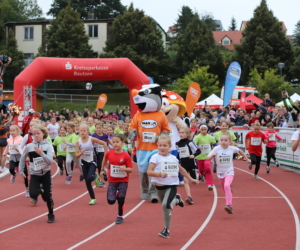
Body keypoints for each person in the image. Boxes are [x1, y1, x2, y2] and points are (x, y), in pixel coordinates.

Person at [147, 134, 199, 239]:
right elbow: (149, 172)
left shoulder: (173, 158)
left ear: (169, 146)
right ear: (157, 145)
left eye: (165, 145)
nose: (162, 147)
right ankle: (176, 199)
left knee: (165, 205)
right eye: (160, 145)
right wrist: (159, 174)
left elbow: (181, 170)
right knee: (166, 207)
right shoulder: (155, 157)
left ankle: (166, 230)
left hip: (171, 186)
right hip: (159, 188)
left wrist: (191, 179)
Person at [19, 124, 55, 223]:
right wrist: (21, 171)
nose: (36, 135)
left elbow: (50, 162)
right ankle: (42, 190)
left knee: (48, 197)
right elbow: (22, 159)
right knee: (33, 193)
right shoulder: (29, 146)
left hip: (46, 174)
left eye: (38, 133)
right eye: (34, 134)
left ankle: (51, 214)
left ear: (43, 134)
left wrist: (41, 153)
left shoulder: (48, 146)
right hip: (35, 174)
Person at [206, 133, 250, 214]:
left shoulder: (231, 148)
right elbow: (207, 158)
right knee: (225, 190)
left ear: (229, 142)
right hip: (220, 173)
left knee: (227, 185)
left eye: (226, 140)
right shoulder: (216, 148)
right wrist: (212, 156)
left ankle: (229, 205)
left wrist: (246, 158)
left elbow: (240, 150)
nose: (223, 142)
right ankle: (229, 191)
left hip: (229, 171)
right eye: (222, 140)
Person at [101, 133, 133, 224]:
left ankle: (120, 216)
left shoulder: (126, 155)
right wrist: (102, 169)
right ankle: (115, 193)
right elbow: (104, 160)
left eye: (117, 142)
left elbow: (130, 169)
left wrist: (124, 169)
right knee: (111, 201)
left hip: (123, 180)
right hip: (112, 180)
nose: (115, 144)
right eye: (113, 142)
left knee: (121, 199)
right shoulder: (109, 153)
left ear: (122, 142)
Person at [75, 123, 108, 205]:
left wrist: (106, 154)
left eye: (84, 130)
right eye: (81, 130)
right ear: (78, 131)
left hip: (92, 162)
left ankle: (95, 176)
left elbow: (104, 143)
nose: (82, 132)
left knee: (90, 177)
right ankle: (92, 198)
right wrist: (81, 152)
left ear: (88, 131)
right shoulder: (78, 142)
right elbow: (77, 155)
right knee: (87, 182)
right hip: (84, 163)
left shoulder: (91, 139)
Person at [176, 127, 201, 204]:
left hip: (191, 163)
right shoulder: (177, 144)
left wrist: (193, 155)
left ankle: (198, 174)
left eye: (183, 133)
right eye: (180, 133)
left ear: (187, 134)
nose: (181, 134)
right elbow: (179, 155)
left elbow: (198, 151)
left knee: (193, 180)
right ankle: (189, 197)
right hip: (183, 164)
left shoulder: (190, 142)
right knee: (185, 180)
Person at [3, 125, 29, 196]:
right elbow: (7, 147)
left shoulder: (21, 139)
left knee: (25, 174)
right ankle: (14, 174)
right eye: (10, 131)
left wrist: (24, 154)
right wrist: (4, 154)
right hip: (13, 157)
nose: (12, 132)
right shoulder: (9, 140)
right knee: (11, 169)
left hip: (20, 158)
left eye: (13, 131)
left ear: (17, 131)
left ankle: (27, 189)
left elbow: (24, 147)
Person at [193, 125, 216, 191]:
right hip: (200, 157)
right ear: (200, 130)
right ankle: (201, 175)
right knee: (201, 170)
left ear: (207, 130)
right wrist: (198, 147)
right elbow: (193, 144)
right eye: (202, 130)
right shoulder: (198, 137)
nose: (203, 131)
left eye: (205, 129)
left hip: (208, 156)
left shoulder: (209, 137)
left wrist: (219, 148)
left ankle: (210, 184)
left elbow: (214, 144)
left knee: (208, 168)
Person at [92, 122, 112, 187]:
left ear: (102, 128)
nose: (98, 129)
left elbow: (109, 141)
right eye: (97, 128)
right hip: (95, 152)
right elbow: (91, 143)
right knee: (97, 166)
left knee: (100, 165)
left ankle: (101, 181)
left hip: (102, 152)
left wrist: (114, 145)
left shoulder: (105, 135)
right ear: (95, 129)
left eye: (100, 128)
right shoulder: (93, 135)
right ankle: (104, 173)